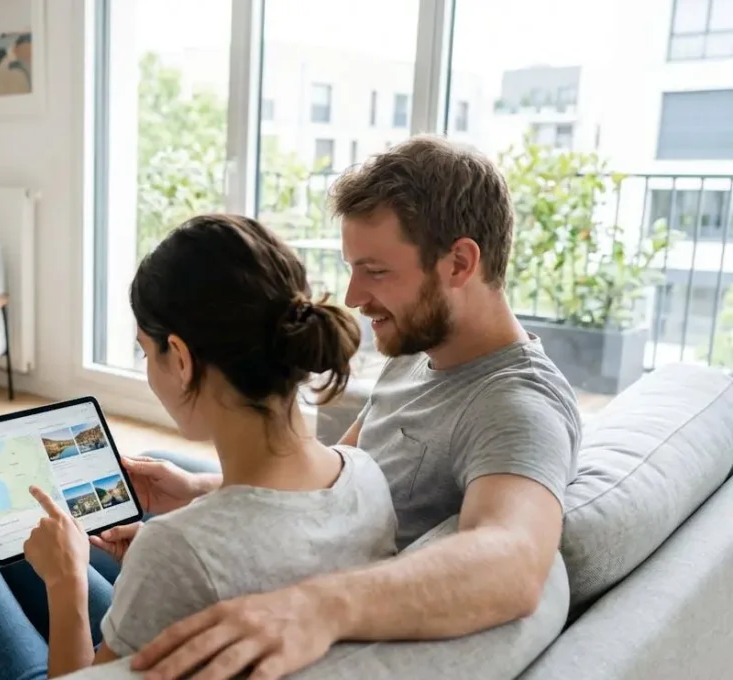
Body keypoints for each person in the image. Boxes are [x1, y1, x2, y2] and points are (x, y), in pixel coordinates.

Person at [122, 134, 583, 680]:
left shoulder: (519, 407)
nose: (353, 296)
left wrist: (318, 607)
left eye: (376, 270)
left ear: (458, 263)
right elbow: (330, 470)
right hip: (303, 540)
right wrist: (204, 493)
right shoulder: (420, 350)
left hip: (300, 585)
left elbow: (514, 561)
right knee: (142, 475)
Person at [0, 214, 399, 679]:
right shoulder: (364, 474)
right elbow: (267, 531)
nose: (148, 368)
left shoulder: (178, 551)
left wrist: (69, 582)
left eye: (145, 351)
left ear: (182, 359)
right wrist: (195, 495)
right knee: (2, 528)